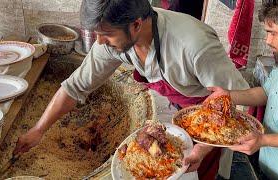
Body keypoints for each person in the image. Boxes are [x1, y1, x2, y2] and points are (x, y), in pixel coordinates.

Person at [14, 0, 249, 179]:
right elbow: (76, 86)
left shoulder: (194, 45)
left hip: (209, 122)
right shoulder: (113, 38)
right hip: (177, 111)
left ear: (136, 24)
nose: (100, 43)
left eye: (106, 35)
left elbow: (238, 104)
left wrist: (204, 146)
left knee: (199, 173)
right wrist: (39, 129)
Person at [204, 0, 278, 179]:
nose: (268, 41)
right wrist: (228, 96)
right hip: (267, 166)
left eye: (272, 33)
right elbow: (265, 93)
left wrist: (264, 140)